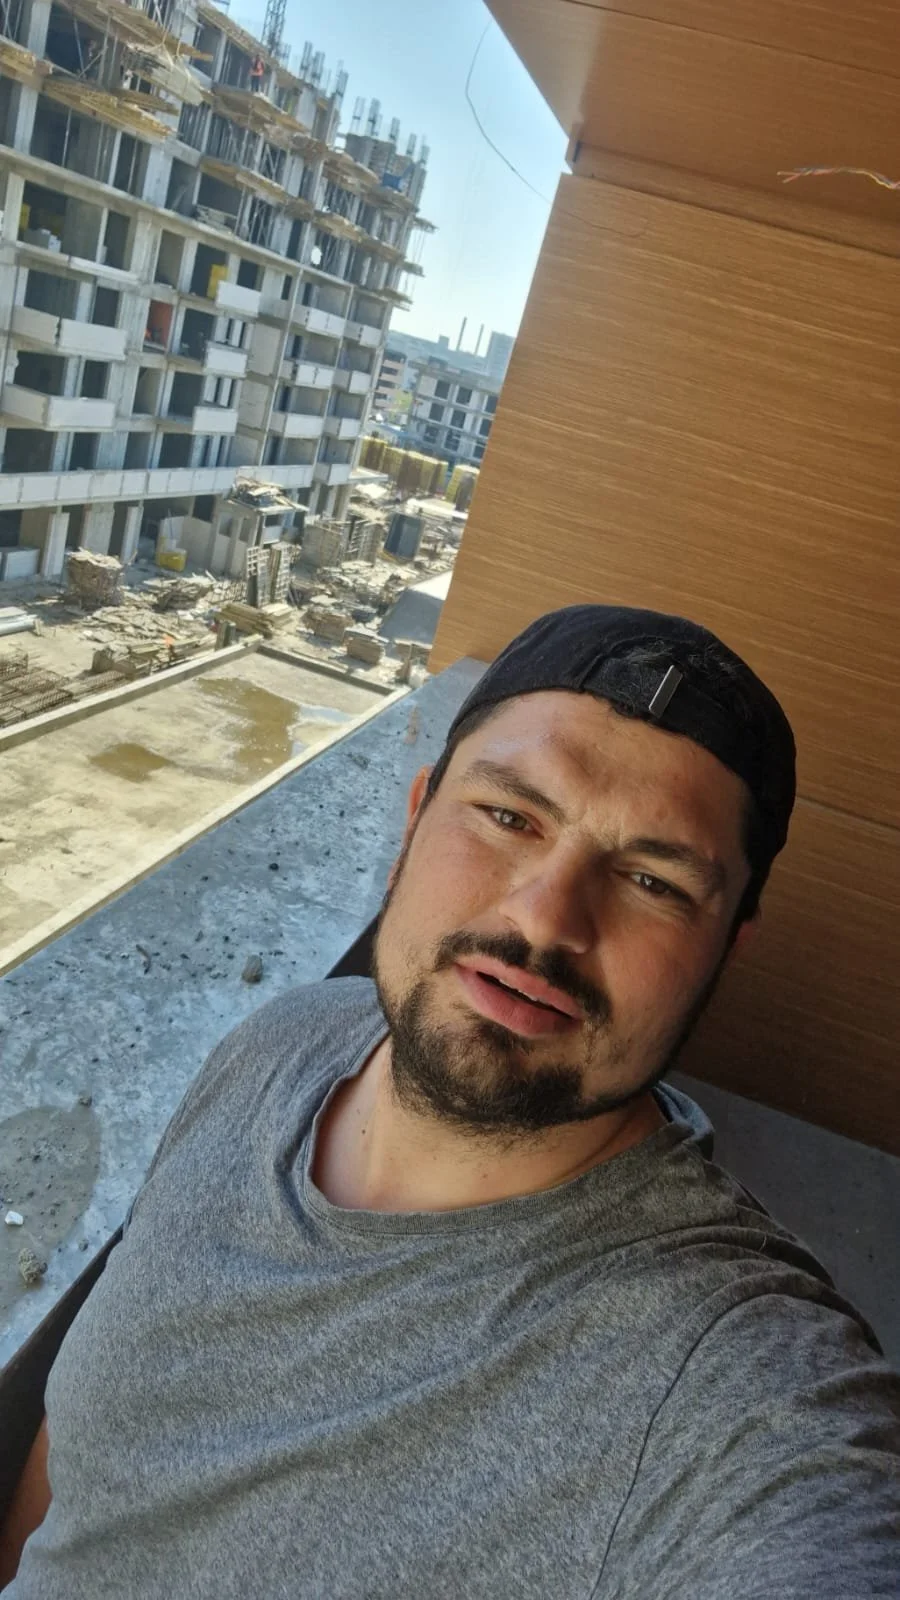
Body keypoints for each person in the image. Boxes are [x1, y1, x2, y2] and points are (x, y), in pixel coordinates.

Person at [2, 605, 898, 1597]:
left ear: (723, 951)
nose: (546, 917)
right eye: (510, 817)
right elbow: (82, 1463)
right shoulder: (282, 1039)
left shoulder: (723, 1379)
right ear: (417, 811)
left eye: (650, 879)